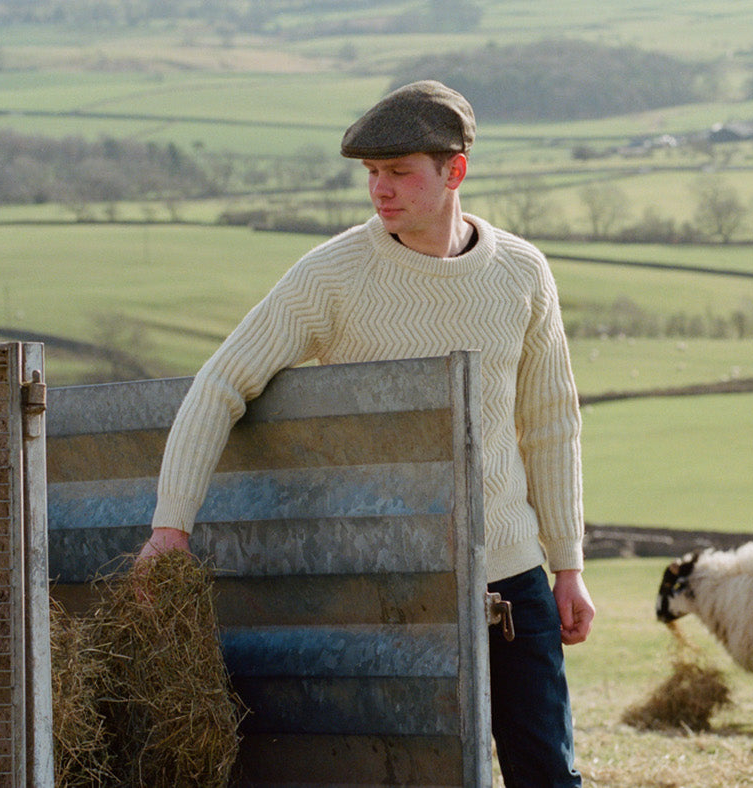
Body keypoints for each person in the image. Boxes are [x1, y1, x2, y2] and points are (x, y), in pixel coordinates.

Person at [134, 80, 593, 787]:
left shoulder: (522, 273)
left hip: (512, 574)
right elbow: (221, 383)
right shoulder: (332, 275)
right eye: (371, 173)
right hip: (391, 583)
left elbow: (552, 422)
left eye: (400, 172)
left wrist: (568, 564)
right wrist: (172, 527)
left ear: (454, 171)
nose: (380, 190)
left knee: (548, 774)